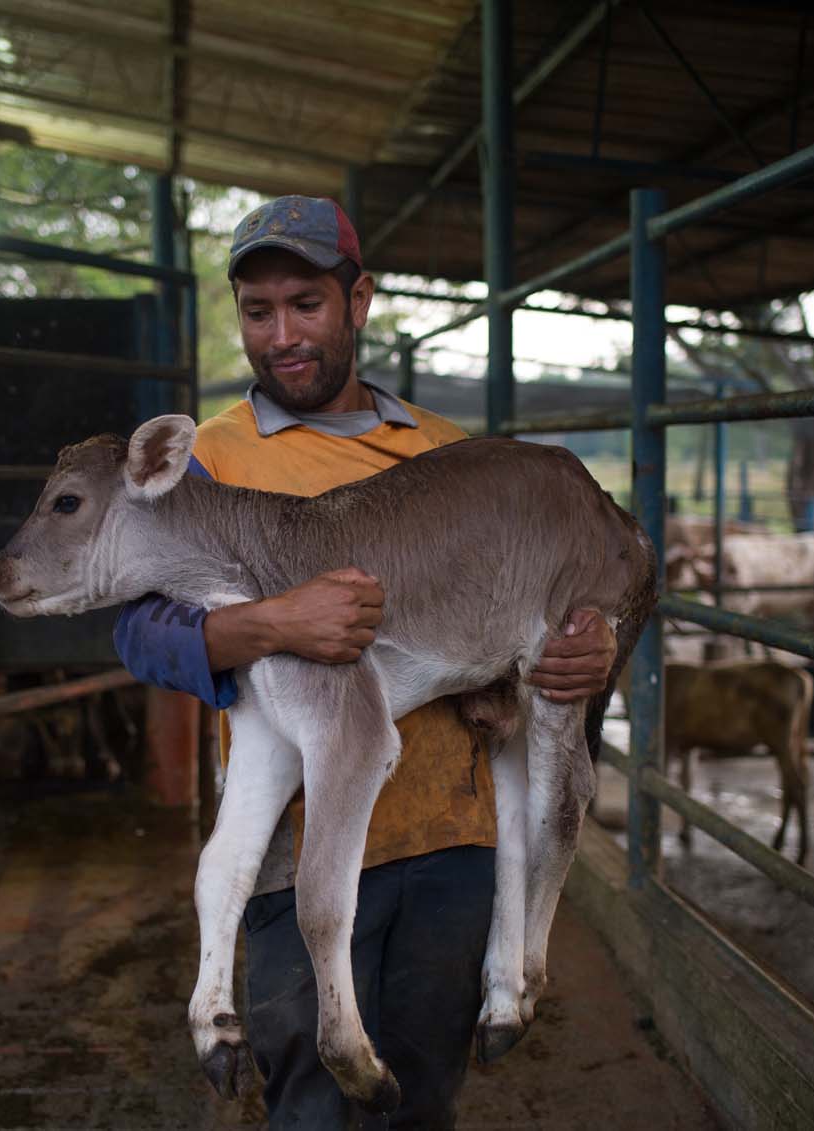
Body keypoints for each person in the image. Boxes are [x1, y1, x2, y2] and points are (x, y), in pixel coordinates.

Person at [114, 195, 618, 1129]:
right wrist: (272, 621)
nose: (282, 336)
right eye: (257, 312)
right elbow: (140, 633)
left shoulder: (448, 454)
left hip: (454, 838)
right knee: (308, 1098)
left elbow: (536, 601)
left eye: (306, 303)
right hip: (297, 840)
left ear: (360, 300)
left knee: (423, 1095)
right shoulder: (209, 460)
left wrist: (583, 656)